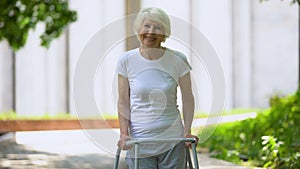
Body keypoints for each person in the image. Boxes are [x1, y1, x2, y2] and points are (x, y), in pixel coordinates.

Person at [116, 7, 198, 169]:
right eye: (147, 26)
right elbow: (123, 101)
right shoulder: (126, 60)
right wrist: (124, 134)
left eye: (158, 27)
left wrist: (187, 131)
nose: (151, 32)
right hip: (140, 141)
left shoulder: (177, 59)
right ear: (138, 29)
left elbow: (188, 98)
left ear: (164, 32)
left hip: (172, 140)